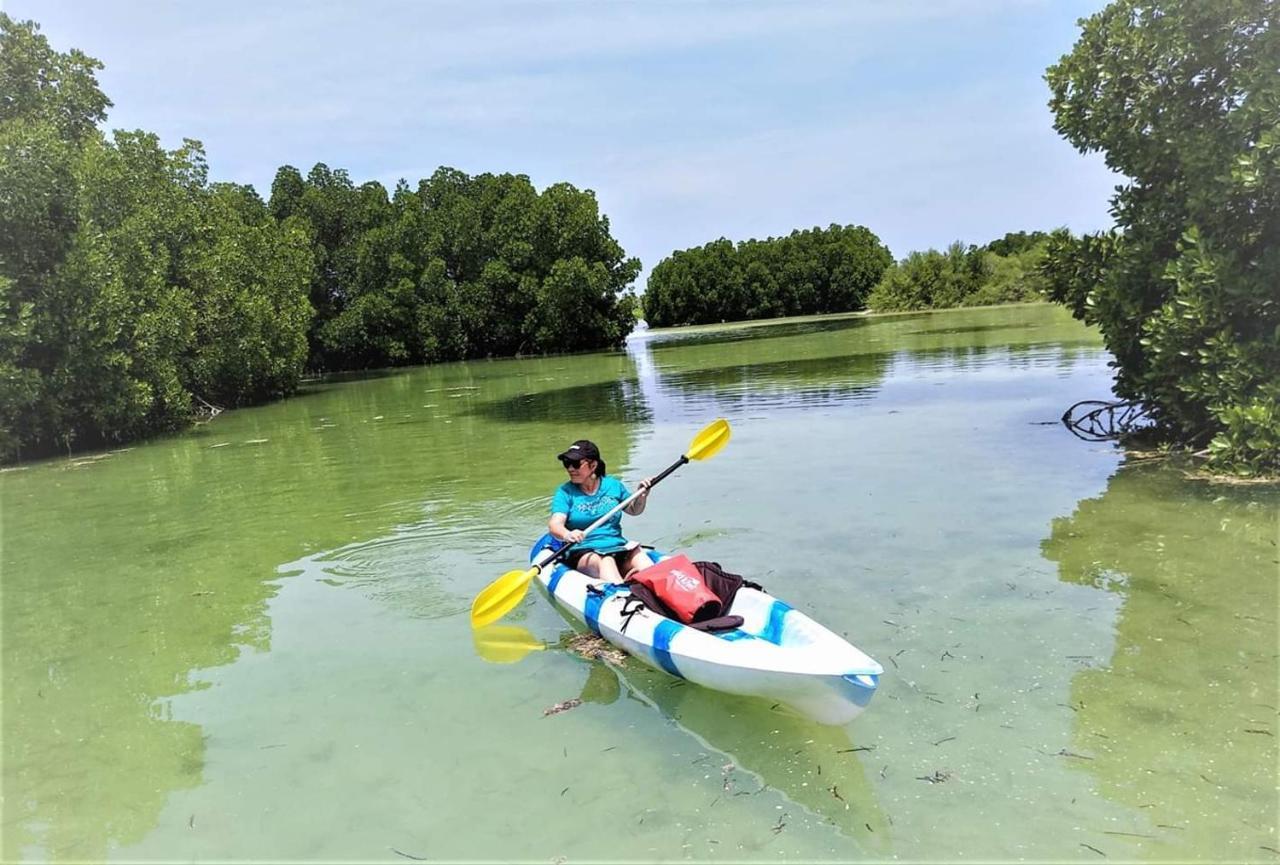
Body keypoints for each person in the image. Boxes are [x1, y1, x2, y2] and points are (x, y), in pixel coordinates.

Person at [548, 439, 653, 582]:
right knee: (606, 561)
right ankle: (620, 592)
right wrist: (568, 534)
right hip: (584, 550)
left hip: (617, 546)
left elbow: (634, 510)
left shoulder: (613, 485)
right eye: (567, 464)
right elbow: (555, 525)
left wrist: (642, 495)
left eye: (576, 464)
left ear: (593, 465)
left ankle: (658, 590)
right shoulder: (565, 492)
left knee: (639, 555)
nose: (570, 469)